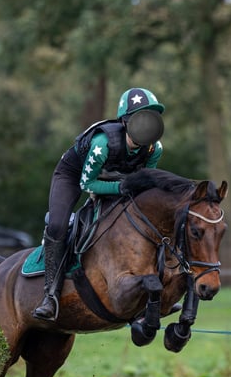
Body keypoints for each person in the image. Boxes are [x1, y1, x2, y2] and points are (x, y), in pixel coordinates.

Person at [32, 87, 166, 321]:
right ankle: (50, 296)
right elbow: (88, 183)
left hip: (115, 178)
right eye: (141, 118)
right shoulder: (103, 143)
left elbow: (143, 185)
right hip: (75, 176)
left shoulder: (154, 148)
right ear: (126, 121)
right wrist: (120, 188)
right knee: (57, 226)